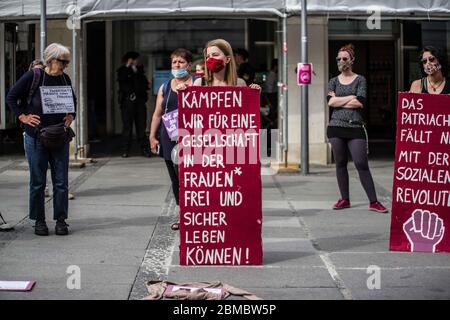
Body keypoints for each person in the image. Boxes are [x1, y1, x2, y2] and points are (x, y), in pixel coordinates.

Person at [6, 43, 76, 235]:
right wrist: (23, 116)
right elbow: (11, 97)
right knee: (38, 181)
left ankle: (61, 220)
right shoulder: (34, 76)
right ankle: (39, 220)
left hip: (59, 136)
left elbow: (73, 102)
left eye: (67, 61)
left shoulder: (64, 78)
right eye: (63, 61)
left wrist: (71, 115)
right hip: (35, 136)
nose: (65, 65)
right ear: (51, 60)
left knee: (61, 181)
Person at [327, 44, 388, 214]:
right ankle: (344, 199)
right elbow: (330, 103)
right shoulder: (333, 81)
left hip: (355, 127)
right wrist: (351, 97)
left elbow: (360, 102)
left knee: (361, 163)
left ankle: (374, 202)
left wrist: (340, 99)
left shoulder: (360, 79)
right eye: (338, 59)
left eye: (344, 58)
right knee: (340, 163)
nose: (341, 61)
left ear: (352, 60)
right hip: (335, 127)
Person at [149, 48, 194, 231]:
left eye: (181, 62)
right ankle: (182, 215)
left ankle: (195, 214)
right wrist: (152, 136)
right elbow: (157, 114)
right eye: (174, 62)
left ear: (189, 65)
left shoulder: (198, 83)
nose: (177, 65)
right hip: (169, 138)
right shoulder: (165, 86)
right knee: (176, 179)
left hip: (191, 139)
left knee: (189, 179)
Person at [117, 51, 151, 158]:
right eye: (135, 59)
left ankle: (145, 149)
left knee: (141, 127)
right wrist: (128, 66)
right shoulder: (123, 70)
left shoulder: (140, 71)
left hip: (139, 102)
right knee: (127, 127)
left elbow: (144, 84)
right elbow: (121, 79)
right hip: (127, 103)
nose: (137, 61)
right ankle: (125, 150)